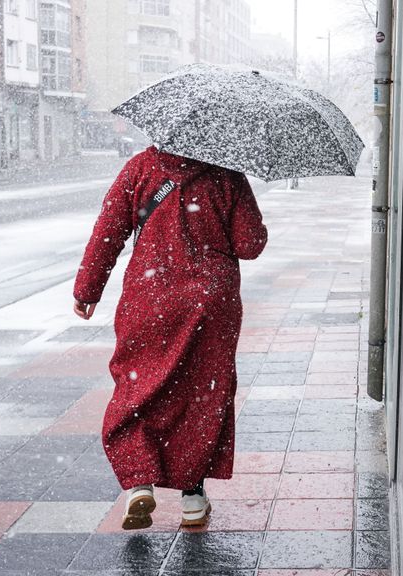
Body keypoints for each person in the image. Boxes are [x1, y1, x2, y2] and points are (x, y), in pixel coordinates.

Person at [72, 145, 267, 530]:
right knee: (202, 394)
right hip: (211, 303)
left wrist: (87, 289)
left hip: (149, 298)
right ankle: (193, 496)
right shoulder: (227, 174)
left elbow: (108, 233)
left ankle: (139, 480)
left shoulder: (140, 168)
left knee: (138, 388)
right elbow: (250, 245)